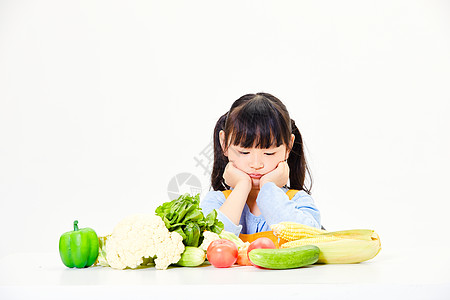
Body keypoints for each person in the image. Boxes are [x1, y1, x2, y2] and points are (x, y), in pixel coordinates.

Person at [200, 92, 322, 236]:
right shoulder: (216, 202)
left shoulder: (298, 202)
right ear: (224, 143)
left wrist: (268, 186)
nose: (256, 164)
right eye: (244, 152)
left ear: (289, 146)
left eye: (269, 153)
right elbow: (211, 242)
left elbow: (307, 239)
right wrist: (242, 186)